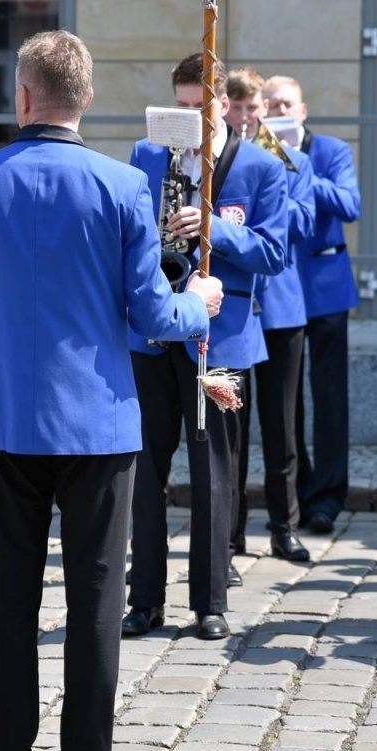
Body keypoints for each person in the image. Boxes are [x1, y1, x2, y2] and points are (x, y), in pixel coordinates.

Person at [0, 30, 220, 751]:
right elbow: (148, 313)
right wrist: (199, 303)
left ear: (22, 96)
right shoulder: (122, 185)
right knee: (96, 603)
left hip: (5, 419)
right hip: (97, 421)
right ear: (86, 99)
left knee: (9, 602)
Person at [124, 54, 288, 642]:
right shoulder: (148, 156)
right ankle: (143, 599)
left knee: (214, 471)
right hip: (152, 330)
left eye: (200, 108)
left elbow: (274, 253)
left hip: (221, 339)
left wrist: (218, 228)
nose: (190, 119)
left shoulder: (262, 168)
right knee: (144, 470)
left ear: (222, 104)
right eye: (181, 107)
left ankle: (209, 601)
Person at [264, 76, 361, 537]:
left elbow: (350, 204)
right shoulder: (255, 152)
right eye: (271, 104)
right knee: (285, 403)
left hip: (324, 290)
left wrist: (297, 168)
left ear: (302, 111)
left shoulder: (331, 150)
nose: (279, 110)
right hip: (281, 292)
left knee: (328, 397)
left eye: (286, 104)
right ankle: (296, 495)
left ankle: (328, 497)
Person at [225, 68, 315, 565]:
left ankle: (285, 527)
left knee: (282, 426)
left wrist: (272, 178)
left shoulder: (292, 161)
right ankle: (230, 534)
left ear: (263, 111)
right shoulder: (218, 163)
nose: (244, 117)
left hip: (279, 308)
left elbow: (302, 222)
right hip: (235, 311)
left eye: (251, 109)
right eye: (235, 108)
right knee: (230, 428)